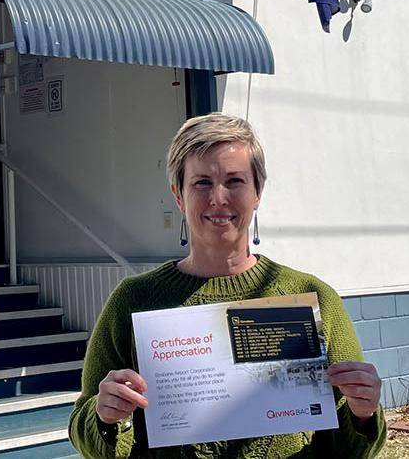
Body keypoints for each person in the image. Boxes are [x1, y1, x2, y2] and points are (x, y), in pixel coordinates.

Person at [68, 113, 386, 458]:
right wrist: (104, 415)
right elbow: (85, 432)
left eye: (234, 181)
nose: (218, 198)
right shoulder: (134, 300)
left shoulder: (311, 296)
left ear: (257, 193)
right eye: (202, 182)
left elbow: (349, 449)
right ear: (179, 196)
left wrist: (363, 412)